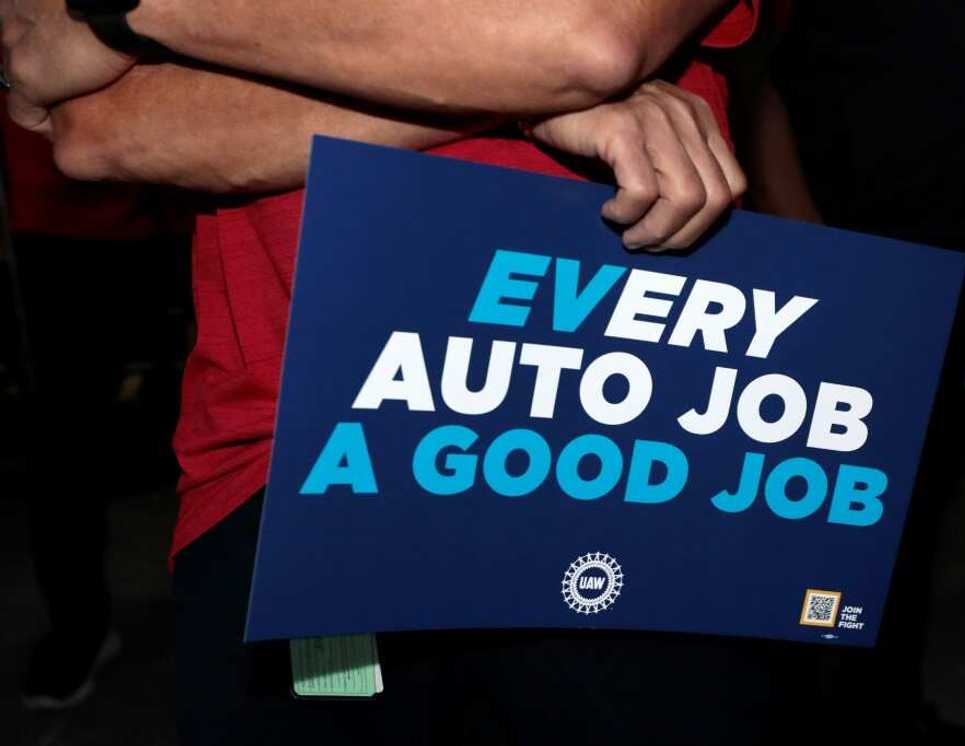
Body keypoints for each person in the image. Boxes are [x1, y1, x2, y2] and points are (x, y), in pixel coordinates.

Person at [3, 1, 765, 742]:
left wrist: (132, 11)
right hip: (292, 455)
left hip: (617, 444)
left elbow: (588, 39)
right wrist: (531, 95)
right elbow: (97, 125)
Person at [736, 1, 965, 743]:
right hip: (853, 265)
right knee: (820, 522)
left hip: (940, 263)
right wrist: (817, 265)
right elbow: (760, 79)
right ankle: (807, 719)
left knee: (913, 510)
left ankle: (887, 713)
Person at [0, 99, 184, 709]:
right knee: (60, 449)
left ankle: (274, 619)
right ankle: (80, 629)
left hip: (164, 215)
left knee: (227, 424)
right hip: (41, 239)